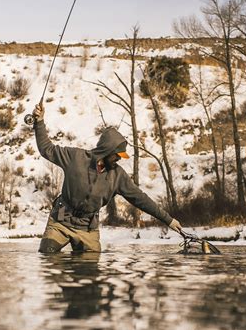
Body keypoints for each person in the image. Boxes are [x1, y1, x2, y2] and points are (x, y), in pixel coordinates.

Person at [32, 103, 182, 253]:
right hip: (60, 222)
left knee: (89, 271)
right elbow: (46, 148)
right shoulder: (75, 157)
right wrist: (39, 122)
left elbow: (140, 199)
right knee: (47, 255)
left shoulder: (118, 175)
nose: (119, 159)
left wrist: (168, 220)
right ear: (107, 150)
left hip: (87, 229)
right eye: (117, 155)